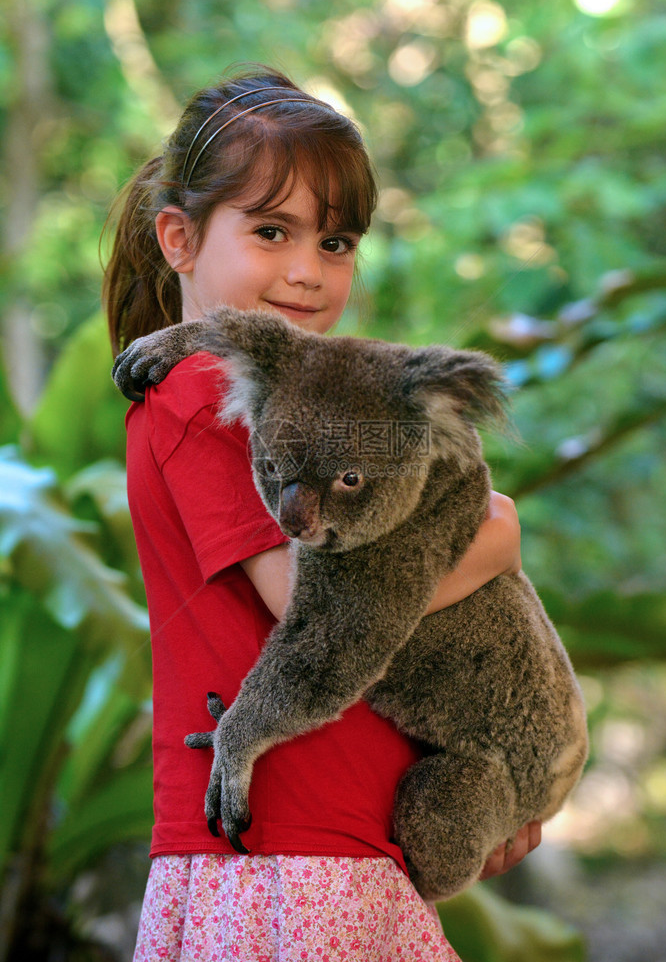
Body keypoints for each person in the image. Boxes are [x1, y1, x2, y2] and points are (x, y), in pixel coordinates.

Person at [103, 66, 541, 961]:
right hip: (280, 862)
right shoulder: (201, 393)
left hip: (337, 847)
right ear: (179, 239)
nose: (307, 271)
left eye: (336, 243)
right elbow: (309, 604)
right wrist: (496, 537)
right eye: (272, 232)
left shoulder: (293, 397)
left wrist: (486, 792)